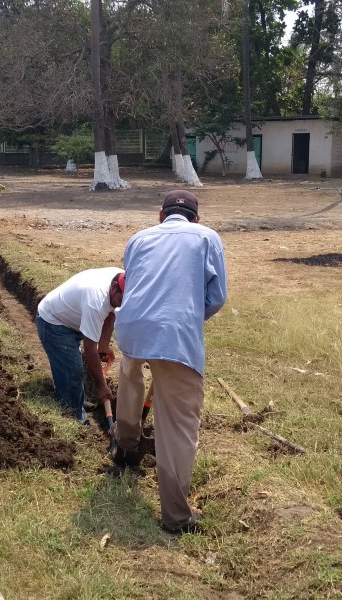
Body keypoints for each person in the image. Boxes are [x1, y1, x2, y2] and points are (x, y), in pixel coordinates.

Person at [113, 189, 228, 534]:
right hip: (175, 336)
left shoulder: (138, 238)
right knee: (178, 424)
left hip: (131, 328)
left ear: (160, 216)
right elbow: (217, 297)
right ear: (197, 218)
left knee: (130, 388)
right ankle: (176, 516)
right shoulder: (207, 238)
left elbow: (133, 283)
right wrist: (186, 318)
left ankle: (125, 448)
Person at [35, 267, 125, 424]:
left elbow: (112, 311)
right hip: (53, 322)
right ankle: (75, 417)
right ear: (113, 287)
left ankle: (76, 399)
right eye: (122, 299)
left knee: (73, 367)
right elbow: (89, 348)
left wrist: (103, 345)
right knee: (73, 370)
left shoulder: (120, 281)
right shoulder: (96, 302)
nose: (124, 303)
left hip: (73, 317)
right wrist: (102, 386)